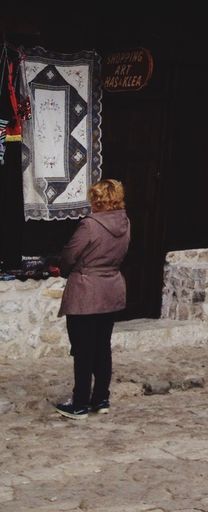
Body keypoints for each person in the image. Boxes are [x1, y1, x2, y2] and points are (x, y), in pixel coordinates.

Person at [54, 178, 131, 420]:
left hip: (87, 291)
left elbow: (70, 254)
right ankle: (101, 398)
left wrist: (66, 268)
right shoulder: (125, 222)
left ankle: (79, 403)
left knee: (83, 349)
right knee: (102, 346)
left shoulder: (90, 225)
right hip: (111, 288)